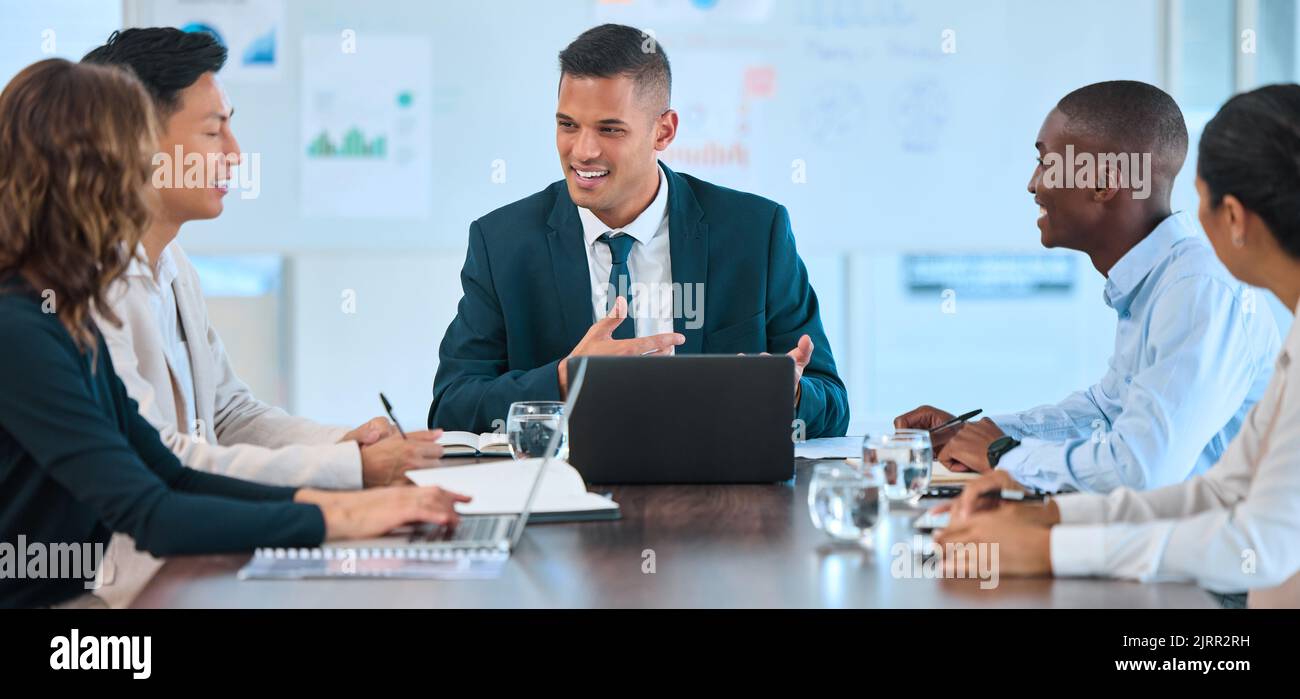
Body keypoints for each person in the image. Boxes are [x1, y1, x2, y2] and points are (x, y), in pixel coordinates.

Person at [0, 59, 467, 609]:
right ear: (84, 178)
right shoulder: (20, 330)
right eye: (135, 159)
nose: (148, 176)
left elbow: (171, 473)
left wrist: (351, 505)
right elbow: (151, 513)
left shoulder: (63, 314)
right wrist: (339, 512)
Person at [935, 84, 1300, 606]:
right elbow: (1220, 492)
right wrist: (1050, 513)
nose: (1033, 185)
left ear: (1236, 217)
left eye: (1201, 201)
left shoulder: (1202, 287)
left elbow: (1246, 538)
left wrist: (1051, 547)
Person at [429, 24, 849, 439]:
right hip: (568, 496)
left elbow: (831, 401)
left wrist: (789, 394)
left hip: (717, 494)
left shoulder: (756, 232)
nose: (583, 151)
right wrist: (563, 379)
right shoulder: (502, 243)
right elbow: (451, 406)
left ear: (663, 131)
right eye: (568, 125)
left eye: (609, 129)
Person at [82, 28, 444, 491]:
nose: (235, 154)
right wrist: (352, 470)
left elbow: (230, 415)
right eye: (214, 132)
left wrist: (345, 444)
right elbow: (160, 455)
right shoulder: (89, 283)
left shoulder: (174, 265)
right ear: (139, 142)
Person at [896, 81, 1279, 493]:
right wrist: (973, 434)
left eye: (1045, 164)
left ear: (1104, 183)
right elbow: (1103, 415)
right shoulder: (1160, 282)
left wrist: (1001, 453)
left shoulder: (1197, 290)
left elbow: (1141, 468)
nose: (1032, 184)